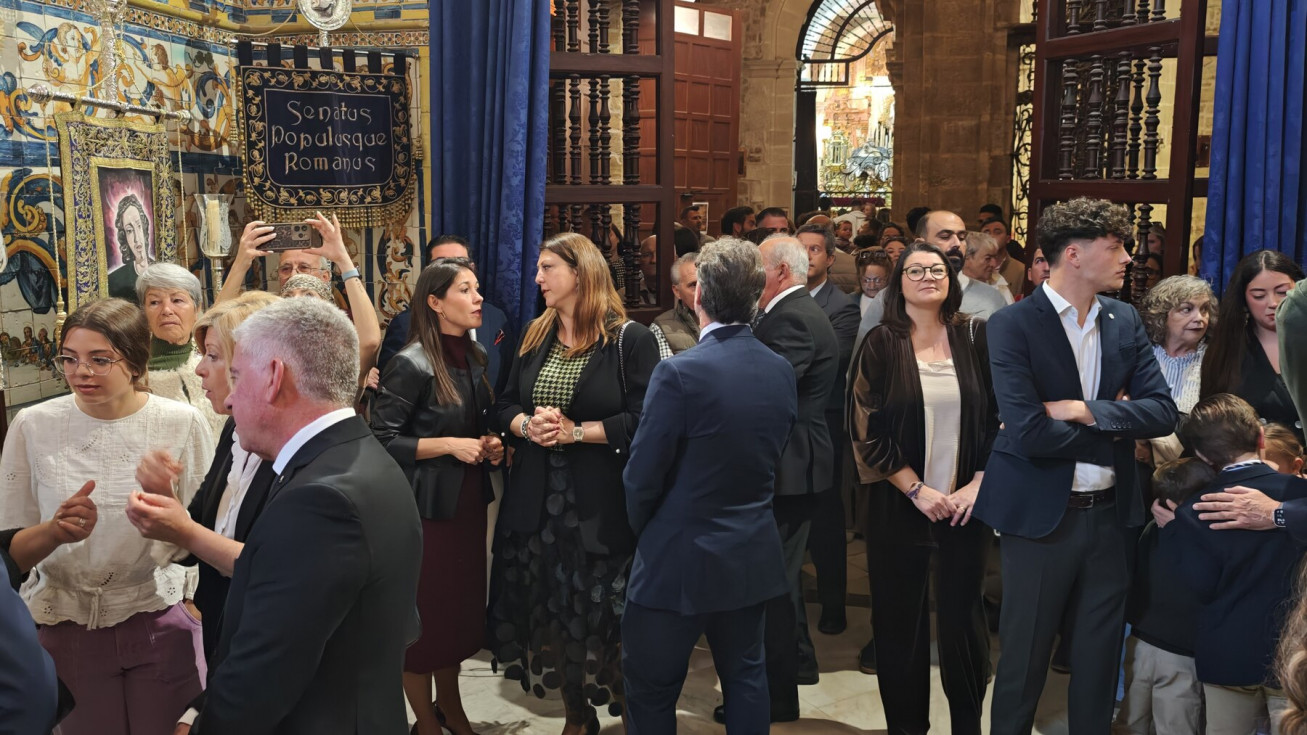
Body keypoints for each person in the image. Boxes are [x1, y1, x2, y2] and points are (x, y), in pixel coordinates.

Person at [973, 198, 1178, 735]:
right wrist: (1116, 429)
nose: (1128, 258)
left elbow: (1162, 412)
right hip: (1041, 518)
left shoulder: (1123, 318)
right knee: (1023, 660)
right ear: (1073, 254)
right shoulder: (1012, 323)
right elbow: (1029, 432)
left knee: (1100, 658)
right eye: (1115, 247)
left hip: (1112, 516)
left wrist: (1086, 410)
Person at [185, 296, 422, 734]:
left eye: (236, 376)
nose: (231, 398)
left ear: (274, 377)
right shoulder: (353, 453)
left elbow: (262, 677)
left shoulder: (319, 500)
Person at [0, 298, 215, 735]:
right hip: (66, 622)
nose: (81, 372)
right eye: (69, 359)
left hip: (158, 615)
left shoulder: (183, 422)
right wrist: (54, 531)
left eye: (100, 360)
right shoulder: (32, 424)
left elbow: (207, 536)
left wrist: (165, 502)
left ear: (135, 362)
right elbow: (9, 551)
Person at [621, 238, 797, 734]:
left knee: (651, 690)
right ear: (757, 297)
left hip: (678, 555)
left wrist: (646, 533)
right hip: (750, 550)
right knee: (746, 678)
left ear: (697, 297)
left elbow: (641, 476)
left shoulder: (679, 372)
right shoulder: (780, 369)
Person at [489, 232, 659, 733]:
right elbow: (503, 404)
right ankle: (577, 717)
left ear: (580, 273)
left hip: (601, 506)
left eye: (547, 268)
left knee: (612, 622)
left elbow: (647, 419)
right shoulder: (534, 334)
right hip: (539, 506)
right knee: (554, 614)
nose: (537, 278)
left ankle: (637, 717)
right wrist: (527, 426)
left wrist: (577, 432)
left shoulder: (630, 339)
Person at [847, 240, 998, 734]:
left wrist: (978, 483)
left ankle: (967, 724)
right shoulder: (882, 342)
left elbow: (1002, 418)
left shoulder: (976, 336)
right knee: (899, 625)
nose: (928, 277)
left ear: (951, 280)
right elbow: (866, 429)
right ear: (899, 283)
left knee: (964, 623)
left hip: (966, 505)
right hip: (899, 504)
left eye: (937, 270)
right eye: (915, 271)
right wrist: (916, 490)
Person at [371, 258, 503, 735]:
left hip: (465, 504)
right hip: (424, 511)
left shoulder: (475, 355)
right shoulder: (410, 363)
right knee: (425, 623)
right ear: (435, 302)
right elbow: (381, 440)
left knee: (456, 618)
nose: (478, 297)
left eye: (477, 287)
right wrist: (448, 445)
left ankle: (451, 708)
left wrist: (490, 444)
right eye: (465, 290)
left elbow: (473, 424)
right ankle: (425, 722)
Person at [712, 234, 838, 724]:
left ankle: (776, 695)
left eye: (758, 266)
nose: (751, 275)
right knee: (780, 580)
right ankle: (796, 667)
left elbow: (764, 390)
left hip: (789, 467)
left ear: (781, 271)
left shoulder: (793, 318)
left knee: (773, 585)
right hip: (792, 465)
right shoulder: (789, 312)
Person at [124, 290, 281, 666]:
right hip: (223, 629)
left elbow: (275, 569)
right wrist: (163, 494)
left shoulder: (290, 451)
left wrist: (182, 529)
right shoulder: (234, 430)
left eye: (213, 355)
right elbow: (201, 538)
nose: (198, 369)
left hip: (270, 641)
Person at [1167, 394, 1307, 734]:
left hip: (1227, 653)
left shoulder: (1191, 513)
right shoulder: (1299, 494)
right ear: (1260, 437)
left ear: (1202, 455)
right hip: (1294, 655)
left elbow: (1199, 589)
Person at [216, 212, 382, 386]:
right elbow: (218, 330)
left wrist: (343, 259)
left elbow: (369, 342)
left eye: (304, 267)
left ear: (325, 277)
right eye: (285, 269)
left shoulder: (339, 342)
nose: (294, 275)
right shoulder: (263, 333)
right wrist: (241, 263)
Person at [1114, 457, 1210, 735]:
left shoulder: (1151, 529)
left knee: (1130, 720)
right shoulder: (1201, 540)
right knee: (1175, 724)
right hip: (1181, 651)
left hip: (1140, 641)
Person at [795, 223, 859, 637]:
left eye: (815, 249)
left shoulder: (842, 306)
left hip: (824, 422)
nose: (807, 256)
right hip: (787, 421)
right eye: (801, 249)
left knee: (826, 515)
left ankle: (833, 603)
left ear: (831, 259)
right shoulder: (773, 301)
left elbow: (830, 360)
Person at [378, 235, 515, 394]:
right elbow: (388, 389)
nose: (453, 270)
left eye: (460, 263)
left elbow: (508, 384)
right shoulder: (405, 328)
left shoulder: (495, 320)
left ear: (472, 268)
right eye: (442, 264)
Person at [1200, 250, 1304, 442]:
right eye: (1259, 296)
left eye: (1282, 292)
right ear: (1244, 299)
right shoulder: (1227, 348)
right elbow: (1212, 421)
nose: (1273, 303)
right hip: (1253, 456)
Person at [138, 263, 226, 438]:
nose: (166, 310)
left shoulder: (216, 359)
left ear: (197, 308)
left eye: (177, 300)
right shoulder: (134, 370)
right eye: (154, 302)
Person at [1135, 275, 1216, 465]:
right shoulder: (1141, 355)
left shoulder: (1215, 359)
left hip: (1197, 461)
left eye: (1204, 309)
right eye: (1187, 309)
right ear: (1162, 315)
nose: (1200, 318)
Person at [649, 252, 700, 359]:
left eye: (706, 282)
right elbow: (669, 370)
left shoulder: (730, 319)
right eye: (693, 285)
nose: (702, 290)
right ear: (677, 291)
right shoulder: (661, 328)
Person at [107, 194, 153, 301]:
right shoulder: (115, 280)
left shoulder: (161, 269)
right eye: (129, 231)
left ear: (144, 227)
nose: (137, 238)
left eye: (139, 226)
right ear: (125, 237)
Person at [958, 230, 1014, 312]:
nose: (994, 264)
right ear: (966, 257)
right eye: (988, 258)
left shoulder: (1000, 285)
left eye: (995, 257)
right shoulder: (952, 287)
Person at [980, 218, 1026, 301]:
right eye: (986, 232)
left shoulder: (1020, 270)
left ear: (1008, 239)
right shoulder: (973, 267)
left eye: (997, 232)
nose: (991, 236)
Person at [857, 248, 891, 316]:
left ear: (888, 278)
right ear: (859, 279)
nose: (872, 286)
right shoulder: (849, 302)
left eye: (878, 280)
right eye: (866, 280)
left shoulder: (897, 303)